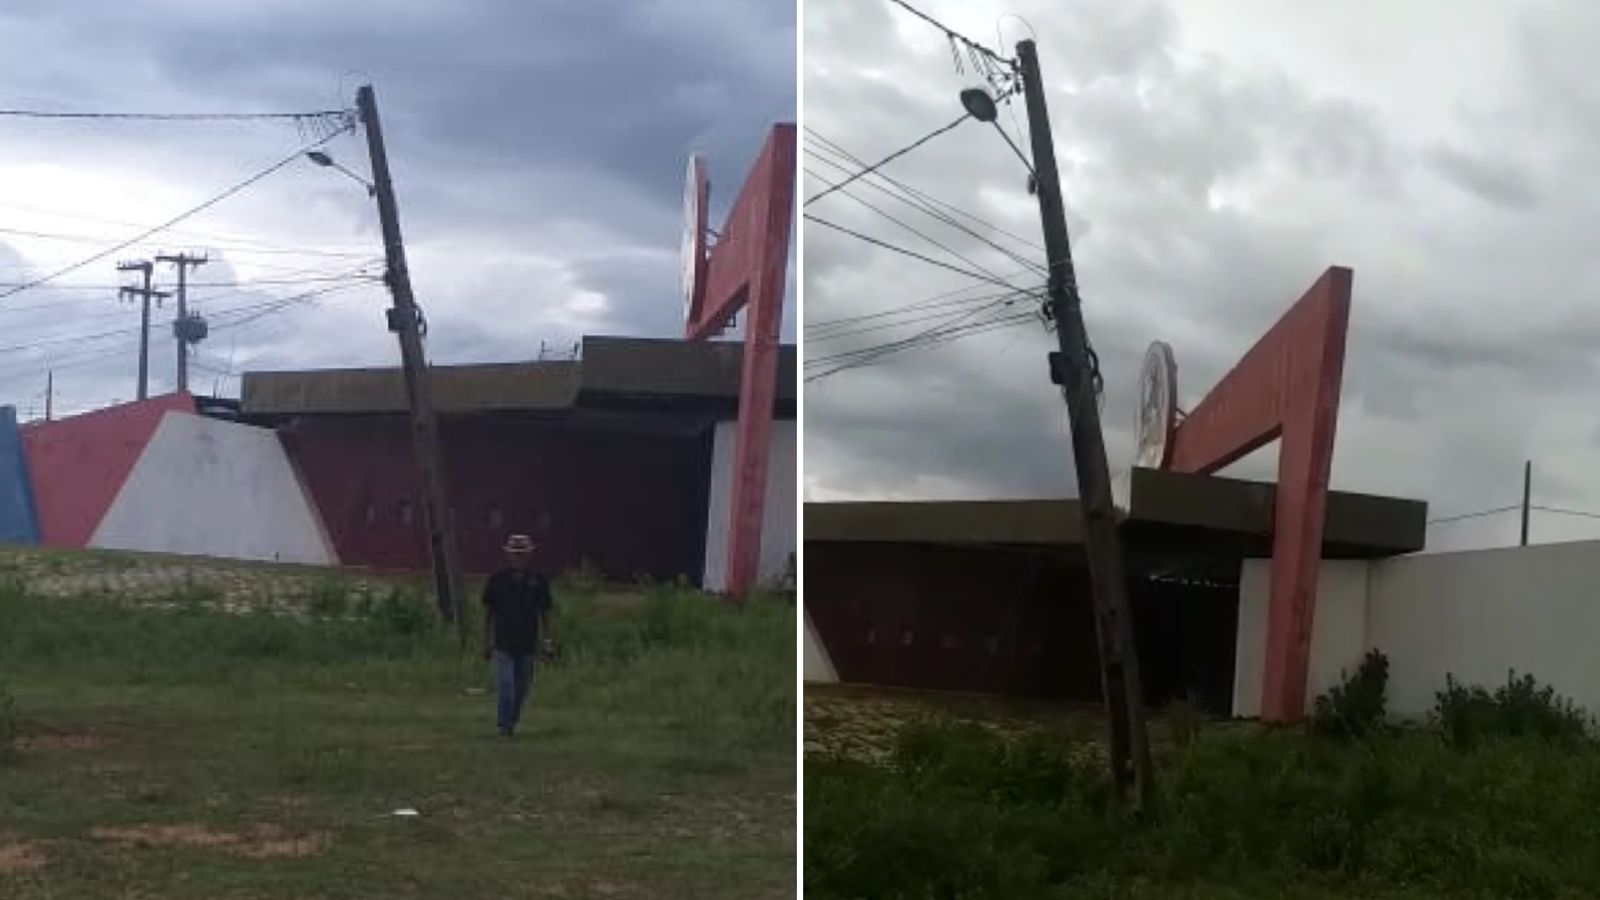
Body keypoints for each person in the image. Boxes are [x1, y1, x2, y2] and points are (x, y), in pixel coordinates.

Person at [481, 533, 554, 738]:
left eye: (522, 552)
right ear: (508, 555)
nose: (518, 556)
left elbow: (545, 614)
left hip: (528, 644)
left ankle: (511, 722)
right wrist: (486, 642)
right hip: (503, 643)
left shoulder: (538, 580)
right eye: (515, 553)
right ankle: (504, 726)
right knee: (506, 687)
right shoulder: (497, 580)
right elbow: (488, 614)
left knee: (521, 690)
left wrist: (547, 643)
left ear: (529, 554)